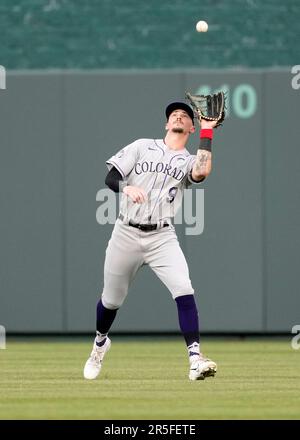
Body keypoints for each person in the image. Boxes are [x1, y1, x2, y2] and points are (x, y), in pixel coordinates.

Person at [83, 101, 217, 381]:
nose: (178, 115)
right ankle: (99, 344)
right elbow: (111, 177)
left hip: (161, 236)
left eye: (184, 115)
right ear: (167, 124)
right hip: (126, 232)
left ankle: (195, 359)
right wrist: (126, 187)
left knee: (183, 287)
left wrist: (208, 131)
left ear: (190, 127)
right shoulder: (142, 146)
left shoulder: (189, 160)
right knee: (111, 300)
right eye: (173, 114)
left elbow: (202, 172)